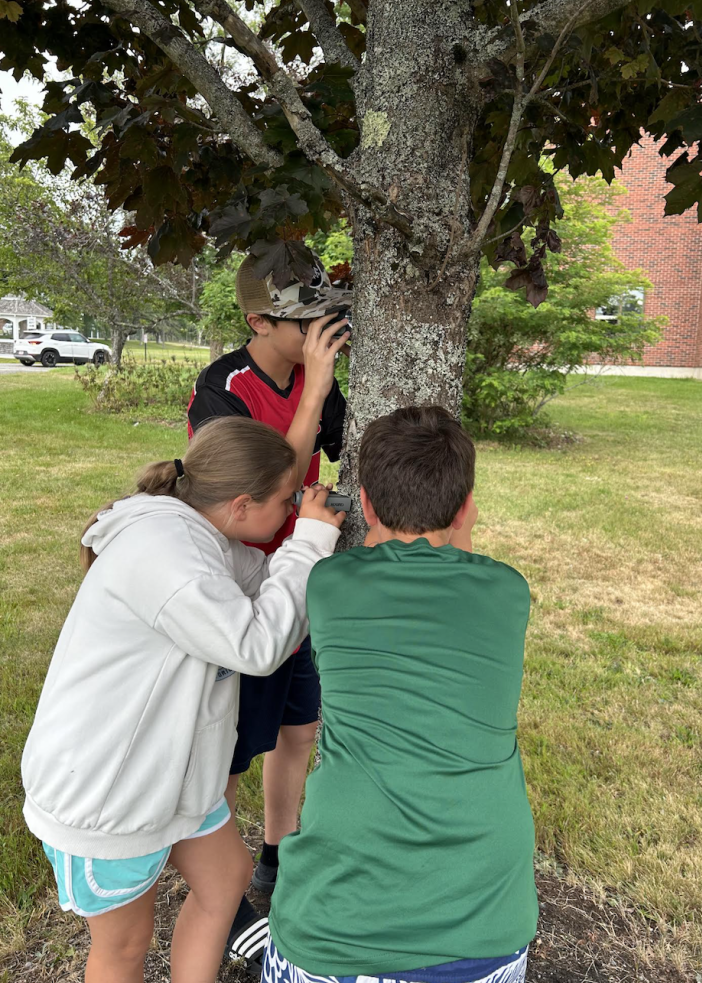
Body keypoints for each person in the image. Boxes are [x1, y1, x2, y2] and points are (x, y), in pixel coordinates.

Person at [21, 417, 345, 983]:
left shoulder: (202, 537)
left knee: (226, 882)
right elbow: (257, 643)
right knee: (124, 948)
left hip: (171, 779)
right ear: (243, 505)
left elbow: (268, 582)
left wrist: (308, 549)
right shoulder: (164, 551)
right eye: (286, 501)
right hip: (110, 794)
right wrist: (311, 540)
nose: (292, 513)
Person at [267, 406, 539, 983]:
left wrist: (317, 525)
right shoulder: (509, 593)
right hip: (487, 918)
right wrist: (454, 521)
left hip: (334, 924)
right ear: (466, 507)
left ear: (363, 505)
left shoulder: (331, 583)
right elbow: (461, 564)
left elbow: (376, 563)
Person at [187, 251, 351, 970]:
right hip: (243, 583)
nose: (323, 328)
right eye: (304, 319)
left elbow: (348, 448)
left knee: (299, 724)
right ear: (258, 321)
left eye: (327, 312)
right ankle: (217, 887)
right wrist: (314, 388)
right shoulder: (223, 388)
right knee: (226, 747)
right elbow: (266, 485)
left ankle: (276, 856)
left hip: (304, 569)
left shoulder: (321, 374)